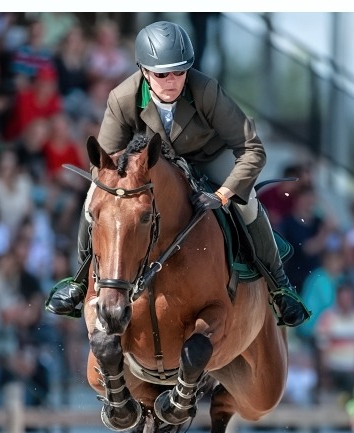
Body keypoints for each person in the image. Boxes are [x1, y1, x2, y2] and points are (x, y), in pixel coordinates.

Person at [46, 20, 309, 327]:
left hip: (209, 157)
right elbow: (102, 164)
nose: (171, 81)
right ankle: (79, 280)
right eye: (161, 74)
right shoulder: (123, 97)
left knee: (246, 199)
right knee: (96, 194)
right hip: (153, 166)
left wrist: (223, 194)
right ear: (144, 71)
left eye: (179, 72)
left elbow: (252, 149)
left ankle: (279, 286)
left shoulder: (206, 90)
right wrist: (121, 181)